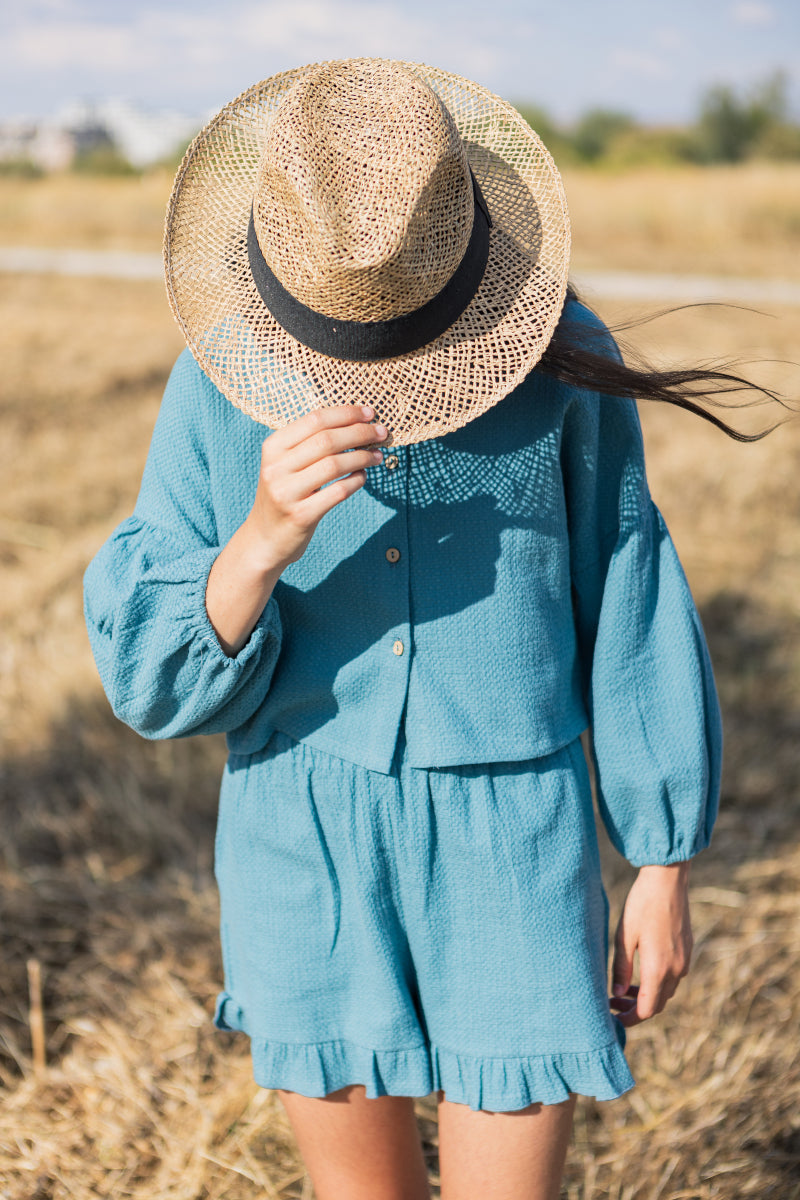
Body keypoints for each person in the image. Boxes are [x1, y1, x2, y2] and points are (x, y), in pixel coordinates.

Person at [84, 58, 768, 1200]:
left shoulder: (563, 364)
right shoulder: (217, 385)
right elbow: (149, 684)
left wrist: (659, 860)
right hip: (303, 837)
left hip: (514, 841)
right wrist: (259, 537)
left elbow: (631, 595)